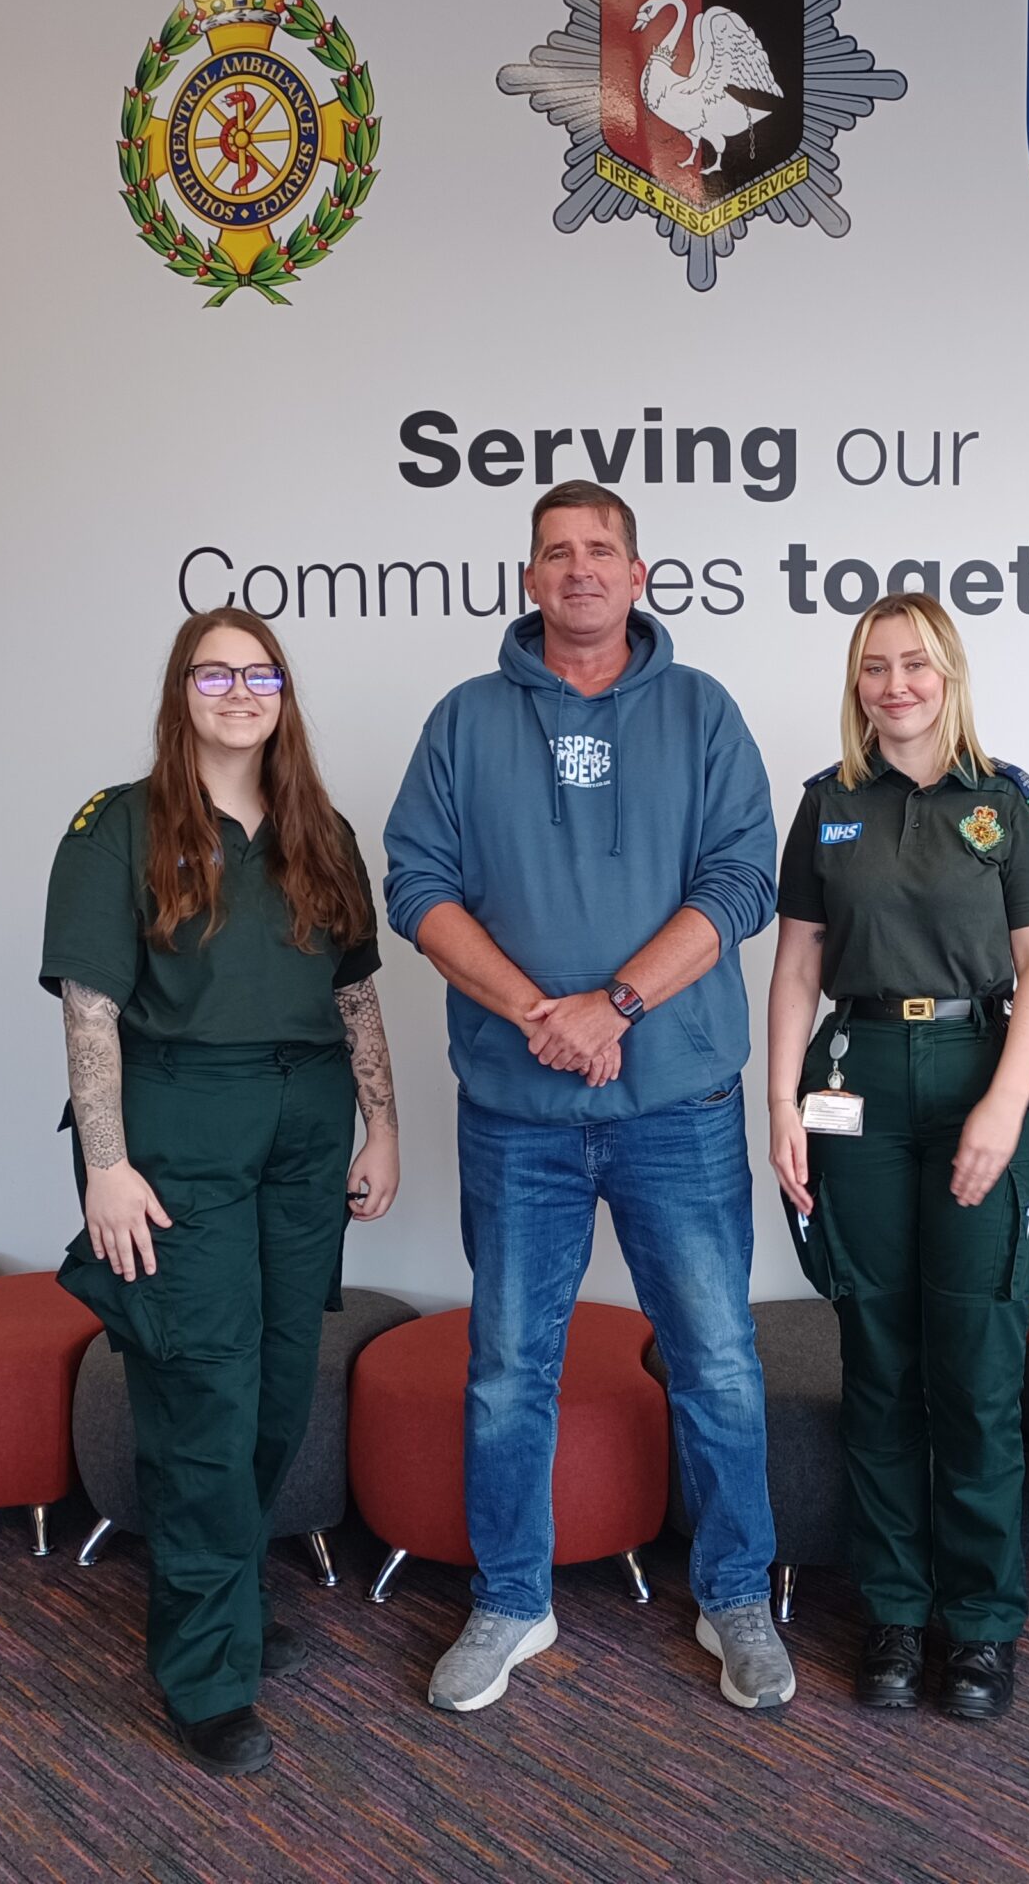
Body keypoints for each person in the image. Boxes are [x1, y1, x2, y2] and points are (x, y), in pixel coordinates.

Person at [384, 480, 791, 1714]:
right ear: (525, 580)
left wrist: (610, 1008)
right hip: (518, 1112)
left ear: (639, 573)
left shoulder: (702, 712)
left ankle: (735, 1596)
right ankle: (512, 1599)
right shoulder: (463, 720)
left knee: (718, 1361)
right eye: (555, 553)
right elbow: (416, 885)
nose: (578, 570)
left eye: (599, 551)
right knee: (510, 1365)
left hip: (678, 1103)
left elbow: (740, 882)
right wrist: (536, 1015)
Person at [42, 606, 400, 1778]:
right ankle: (203, 1672)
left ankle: (223, 1604)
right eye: (215, 673)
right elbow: (90, 1007)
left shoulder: (321, 829)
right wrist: (105, 1164)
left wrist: (383, 1125)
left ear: (285, 692)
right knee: (203, 1396)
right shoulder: (117, 827)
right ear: (179, 691)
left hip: (306, 1129)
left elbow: (354, 995)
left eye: (261, 673)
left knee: (280, 1389)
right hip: (178, 1127)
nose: (239, 691)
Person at [765, 594, 1029, 1720]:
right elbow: (797, 968)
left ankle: (980, 1626)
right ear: (857, 683)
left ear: (951, 674)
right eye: (876, 667)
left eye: (917, 665)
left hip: (974, 1074)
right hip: (854, 1087)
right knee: (880, 1362)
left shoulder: (1006, 803)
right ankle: (895, 1614)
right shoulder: (827, 808)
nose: (896, 685)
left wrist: (1003, 1103)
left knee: (976, 1373)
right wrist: (782, 1105)